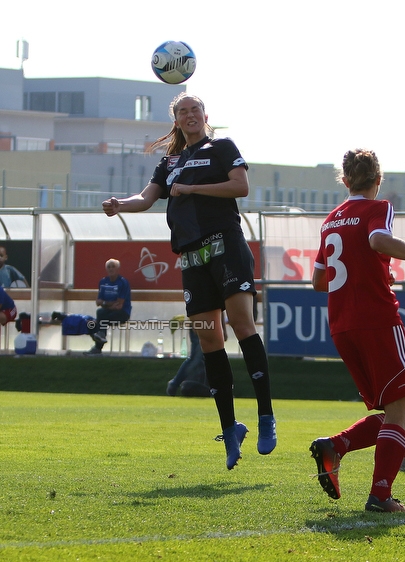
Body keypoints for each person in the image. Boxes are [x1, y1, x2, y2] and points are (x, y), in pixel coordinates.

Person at [102, 92, 276, 470]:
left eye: (195, 109)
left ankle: (266, 416)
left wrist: (194, 189)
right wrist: (120, 205)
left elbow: (240, 187)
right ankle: (230, 429)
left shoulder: (222, 147)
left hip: (226, 246)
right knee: (208, 339)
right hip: (192, 257)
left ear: (204, 115)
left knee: (243, 326)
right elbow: (147, 198)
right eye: (183, 111)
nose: (190, 115)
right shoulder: (170, 161)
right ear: (176, 121)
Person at [307, 149, 405, 513]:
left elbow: (318, 280)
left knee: (398, 410)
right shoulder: (379, 208)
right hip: (377, 320)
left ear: (345, 181)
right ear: (379, 180)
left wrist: (369, 272)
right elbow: (378, 241)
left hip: (342, 325)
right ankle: (380, 495)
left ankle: (337, 446)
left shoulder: (331, 220)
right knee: (401, 411)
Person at [85, 258, 132, 355]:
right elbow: (98, 302)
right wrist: (110, 304)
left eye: (113, 267)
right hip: (107, 313)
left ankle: (98, 347)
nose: (111, 269)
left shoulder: (123, 282)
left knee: (100, 316)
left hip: (122, 314)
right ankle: (100, 340)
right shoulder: (103, 282)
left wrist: (105, 304)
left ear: (118, 269)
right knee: (92, 323)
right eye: (109, 267)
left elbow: (119, 305)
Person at [167, 328, 211, 397]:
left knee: (202, 358)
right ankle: (175, 383)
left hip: (209, 326)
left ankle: (208, 390)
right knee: (197, 358)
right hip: (203, 325)